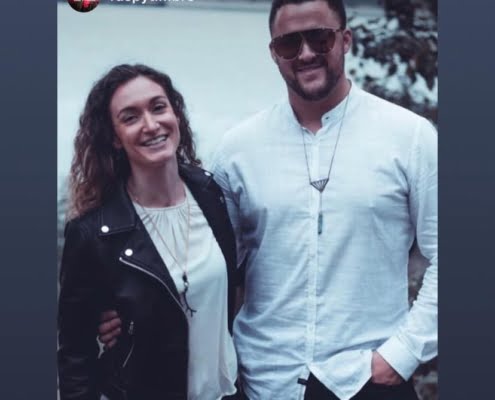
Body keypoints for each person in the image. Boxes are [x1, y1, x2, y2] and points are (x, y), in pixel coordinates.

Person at [99, 1, 438, 399]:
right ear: (274, 53)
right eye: (289, 44)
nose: (305, 53)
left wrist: (403, 353)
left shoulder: (410, 137)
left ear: (345, 40)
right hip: (263, 379)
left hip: (367, 378)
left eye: (319, 38)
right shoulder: (238, 149)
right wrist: (127, 307)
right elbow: (209, 264)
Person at [57, 64, 241, 400]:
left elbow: (237, 285)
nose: (151, 125)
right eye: (130, 117)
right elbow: (75, 356)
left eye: (158, 107)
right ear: (114, 138)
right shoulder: (93, 234)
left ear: (176, 114)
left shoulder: (211, 194)